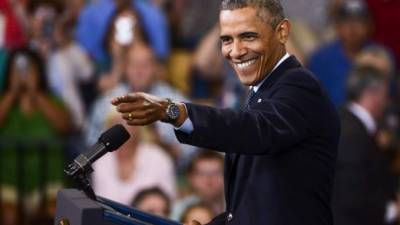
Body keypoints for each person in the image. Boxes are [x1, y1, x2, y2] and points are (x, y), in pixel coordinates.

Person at [111, 1, 340, 225]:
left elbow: (255, 129)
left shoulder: (299, 86)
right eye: (227, 40)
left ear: (281, 32)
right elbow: (257, 202)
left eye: (248, 36)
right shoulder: (262, 93)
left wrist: (175, 111)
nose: (236, 51)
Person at [332, 65, 397, 225]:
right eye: (385, 95)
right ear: (372, 94)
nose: (387, 102)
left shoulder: (344, 120)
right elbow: (351, 196)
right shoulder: (352, 135)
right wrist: (393, 210)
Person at [92, 113, 176, 205]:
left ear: (140, 127)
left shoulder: (159, 158)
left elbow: (168, 201)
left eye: (128, 121)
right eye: (118, 122)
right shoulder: (100, 160)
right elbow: (96, 200)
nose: (123, 126)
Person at [308, 0, 373, 107]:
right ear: (337, 26)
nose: (353, 27)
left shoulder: (380, 57)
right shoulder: (320, 60)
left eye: (359, 21)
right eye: (346, 21)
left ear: (369, 26)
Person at [171, 151, 225, 221]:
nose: (209, 180)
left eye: (216, 173)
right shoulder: (180, 210)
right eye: (202, 174)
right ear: (191, 178)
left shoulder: (237, 207)